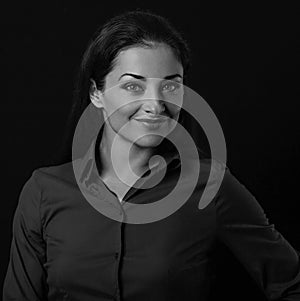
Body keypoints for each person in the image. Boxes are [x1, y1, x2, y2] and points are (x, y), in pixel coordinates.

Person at [2, 9, 300, 301]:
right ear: (96, 93)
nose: (155, 104)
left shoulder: (210, 186)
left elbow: (291, 284)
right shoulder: (44, 192)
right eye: (133, 85)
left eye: (170, 85)